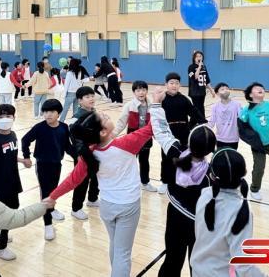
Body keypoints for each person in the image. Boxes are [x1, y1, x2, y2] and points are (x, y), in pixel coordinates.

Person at [48, 87, 177, 277]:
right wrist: (157, 103)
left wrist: (53, 197)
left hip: (107, 207)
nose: (106, 115)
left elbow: (72, 180)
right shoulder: (126, 144)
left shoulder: (90, 154)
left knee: (116, 246)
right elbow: (153, 127)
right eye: (104, 117)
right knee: (123, 253)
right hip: (128, 206)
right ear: (102, 132)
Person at [190, 148, 265, 277]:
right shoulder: (241, 209)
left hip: (197, 271)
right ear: (244, 173)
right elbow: (243, 264)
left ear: (212, 176)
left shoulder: (204, 196)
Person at [158, 125, 217, 277]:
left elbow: (160, 131)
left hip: (175, 215)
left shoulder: (175, 154)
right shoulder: (210, 176)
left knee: (172, 259)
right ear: (210, 150)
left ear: (189, 143)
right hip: (197, 223)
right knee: (196, 264)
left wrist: (157, 109)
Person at [21, 99, 76, 240]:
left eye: (51, 111)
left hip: (57, 164)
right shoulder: (39, 128)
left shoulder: (64, 127)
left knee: (54, 190)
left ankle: (51, 209)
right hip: (42, 165)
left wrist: (78, 157)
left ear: (59, 113)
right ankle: (48, 224)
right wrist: (26, 156)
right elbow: (25, 140)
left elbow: (67, 146)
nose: (48, 115)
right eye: (45, 112)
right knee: (46, 193)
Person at [0, 104, 24, 261]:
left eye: (8, 116)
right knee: (6, 215)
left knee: (13, 207)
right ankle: (1, 248)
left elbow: (10, 155)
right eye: (0, 117)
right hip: (0, 184)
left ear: (14, 118)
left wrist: (22, 160)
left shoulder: (13, 135)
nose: (5, 119)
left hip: (13, 179)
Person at [159, 72, 207, 194]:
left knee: (184, 157)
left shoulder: (184, 99)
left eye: (177, 83)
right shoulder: (162, 100)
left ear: (180, 85)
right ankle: (165, 181)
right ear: (166, 84)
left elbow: (194, 112)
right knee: (166, 159)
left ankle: (181, 179)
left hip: (184, 134)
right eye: (171, 83)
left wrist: (200, 123)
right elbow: (157, 117)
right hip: (168, 135)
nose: (174, 85)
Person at [113, 80, 157, 193]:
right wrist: (112, 135)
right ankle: (125, 182)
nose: (141, 92)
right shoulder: (129, 106)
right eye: (138, 90)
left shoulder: (152, 106)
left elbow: (155, 123)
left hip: (146, 139)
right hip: (132, 138)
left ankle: (145, 182)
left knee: (144, 161)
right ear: (134, 92)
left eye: (143, 90)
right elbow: (121, 122)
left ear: (147, 91)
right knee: (129, 162)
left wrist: (158, 137)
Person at [70, 86, 100, 220]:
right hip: (83, 154)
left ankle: (92, 199)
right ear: (80, 100)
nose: (91, 99)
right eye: (87, 97)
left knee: (96, 177)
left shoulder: (94, 112)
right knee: (82, 181)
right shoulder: (76, 117)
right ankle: (76, 208)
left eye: (92, 96)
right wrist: (82, 155)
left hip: (95, 151)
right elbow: (75, 140)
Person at [208, 82, 241, 150]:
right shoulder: (215, 107)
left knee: (232, 156)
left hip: (233, 139)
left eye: (227, 88)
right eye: (222, 89)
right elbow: (211, 123)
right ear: (217, 93)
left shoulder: (237, 105)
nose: (225, 90)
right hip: (220, 139)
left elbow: (242, 118)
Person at [187, 50, 215, 118]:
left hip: (202, 91)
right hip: (194, 92)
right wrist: (199, 67)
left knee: (201, 107)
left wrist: (211, 90)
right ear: (194, 58)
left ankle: (202, 121)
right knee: (197, 108)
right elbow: (195, 77)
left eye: (200, 56)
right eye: (197, 56)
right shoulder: (191, 67)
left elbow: (207, 80)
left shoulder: (204, 67)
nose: (199, 58)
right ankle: (195, 121)